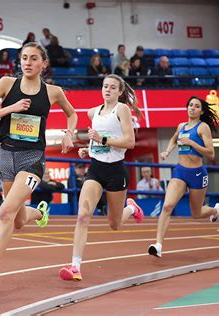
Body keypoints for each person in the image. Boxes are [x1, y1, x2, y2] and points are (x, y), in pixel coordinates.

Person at [0, 42, 77, 294]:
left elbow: (72, 114)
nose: (27, 62)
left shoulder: (53, 92)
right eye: (24, 58)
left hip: (32, 159)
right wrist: (12, 108)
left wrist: (69, 134)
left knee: (5, 212)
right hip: (6, 155)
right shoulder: (6, 83)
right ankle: (39, 214)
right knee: (16, 220)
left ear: (43, 64)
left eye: (33, 58)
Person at [59, 74, 144, 281]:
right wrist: (88, 150)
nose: (108, 90)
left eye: (113, 87)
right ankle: (75, 267)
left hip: (116, 171)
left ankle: (131, 208)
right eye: (105, 86)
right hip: (96, 170)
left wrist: (102, 139)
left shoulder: (121, 110)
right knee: (83, 215)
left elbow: (130, 141)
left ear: (119, 92)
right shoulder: (92, 112)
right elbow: (96, 138)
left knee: (114, 224)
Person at [148, 96, 219, 258]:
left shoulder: (203, 128)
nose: (192, 108)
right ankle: (158, 245)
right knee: (167, 206)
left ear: (201, 111)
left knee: (196, 213)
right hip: (180, 172)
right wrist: (167, 151)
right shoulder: (181, 126)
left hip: (197, 174)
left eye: (196, 106)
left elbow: (211, 153)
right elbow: (174, 138)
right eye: (190, 105)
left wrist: (192, 143)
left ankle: (215, 211)